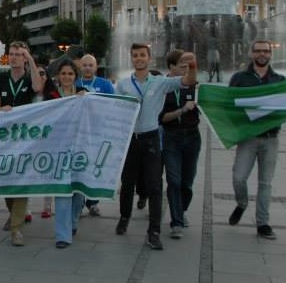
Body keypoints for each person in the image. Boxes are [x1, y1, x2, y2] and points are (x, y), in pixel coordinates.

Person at [115, 43, 197, 250]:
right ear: (131, 59)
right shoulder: (124, 84)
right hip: (131, 138)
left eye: (142, 55)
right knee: (128, 183)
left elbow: (188, 81)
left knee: (154, 185)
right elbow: (112, 106)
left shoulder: (160, 82)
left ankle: (154, 231)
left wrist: (193, 65)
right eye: (135, 55)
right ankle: (124, 216)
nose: (139, 58)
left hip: (151, 137)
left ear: (149, 58)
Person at [228, 40, 285, 240]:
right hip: (248, 137)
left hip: (270, 137)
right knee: (239, 177)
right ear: (252, 54)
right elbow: (229, 104)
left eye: (266, 51)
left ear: (270, 54)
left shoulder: (279, 79)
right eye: (258, 51)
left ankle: (263, 223)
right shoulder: (240, 78)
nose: (262, 54)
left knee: (265, 183)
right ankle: (242, 203)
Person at [0, 41, 45, 246]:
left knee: (21, 182)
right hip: (4, 139)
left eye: (18, 54)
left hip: (25, 139)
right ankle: (14, 214)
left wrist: (30, 58)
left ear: (24, 58)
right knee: (6, 182)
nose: (13, 57)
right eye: (11, 54)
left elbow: (39, 88)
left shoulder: (30, 78)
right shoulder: (0, 79)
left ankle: (16, 228)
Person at [40, 61, 89, 248]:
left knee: (78, 193)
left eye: (70, 74)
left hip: (79, 148)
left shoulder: (85, 94)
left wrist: (85, 99)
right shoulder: (51, 95)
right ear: (58, 76)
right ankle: (62, 235)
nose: (67, 77)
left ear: (75, 76)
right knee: (62, 191)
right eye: (64, 74)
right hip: (58, 148)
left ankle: (73, 222)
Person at [159, 50, 201, 239]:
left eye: (187, 67)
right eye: (182, 67)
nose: (185, 71)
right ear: (171, 67)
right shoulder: (162, 87)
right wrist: (182, 110)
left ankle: (181, 210)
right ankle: (176, 221)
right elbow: (162, 118)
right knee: (174, 180)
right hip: (171, 137)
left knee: (187, 182)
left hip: (192, 137)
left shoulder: (193, 85)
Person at [75, 54, 114, 217]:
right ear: (80, 67)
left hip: (98, 133)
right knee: (80, 167)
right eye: (85, 65)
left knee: (95, 167)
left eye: (91, 65)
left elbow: (114, 105)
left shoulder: (105, 85)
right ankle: (79, 201)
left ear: (96, 67)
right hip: (79, 133)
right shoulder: (75, 83)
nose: (88, 68)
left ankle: (93, 202)